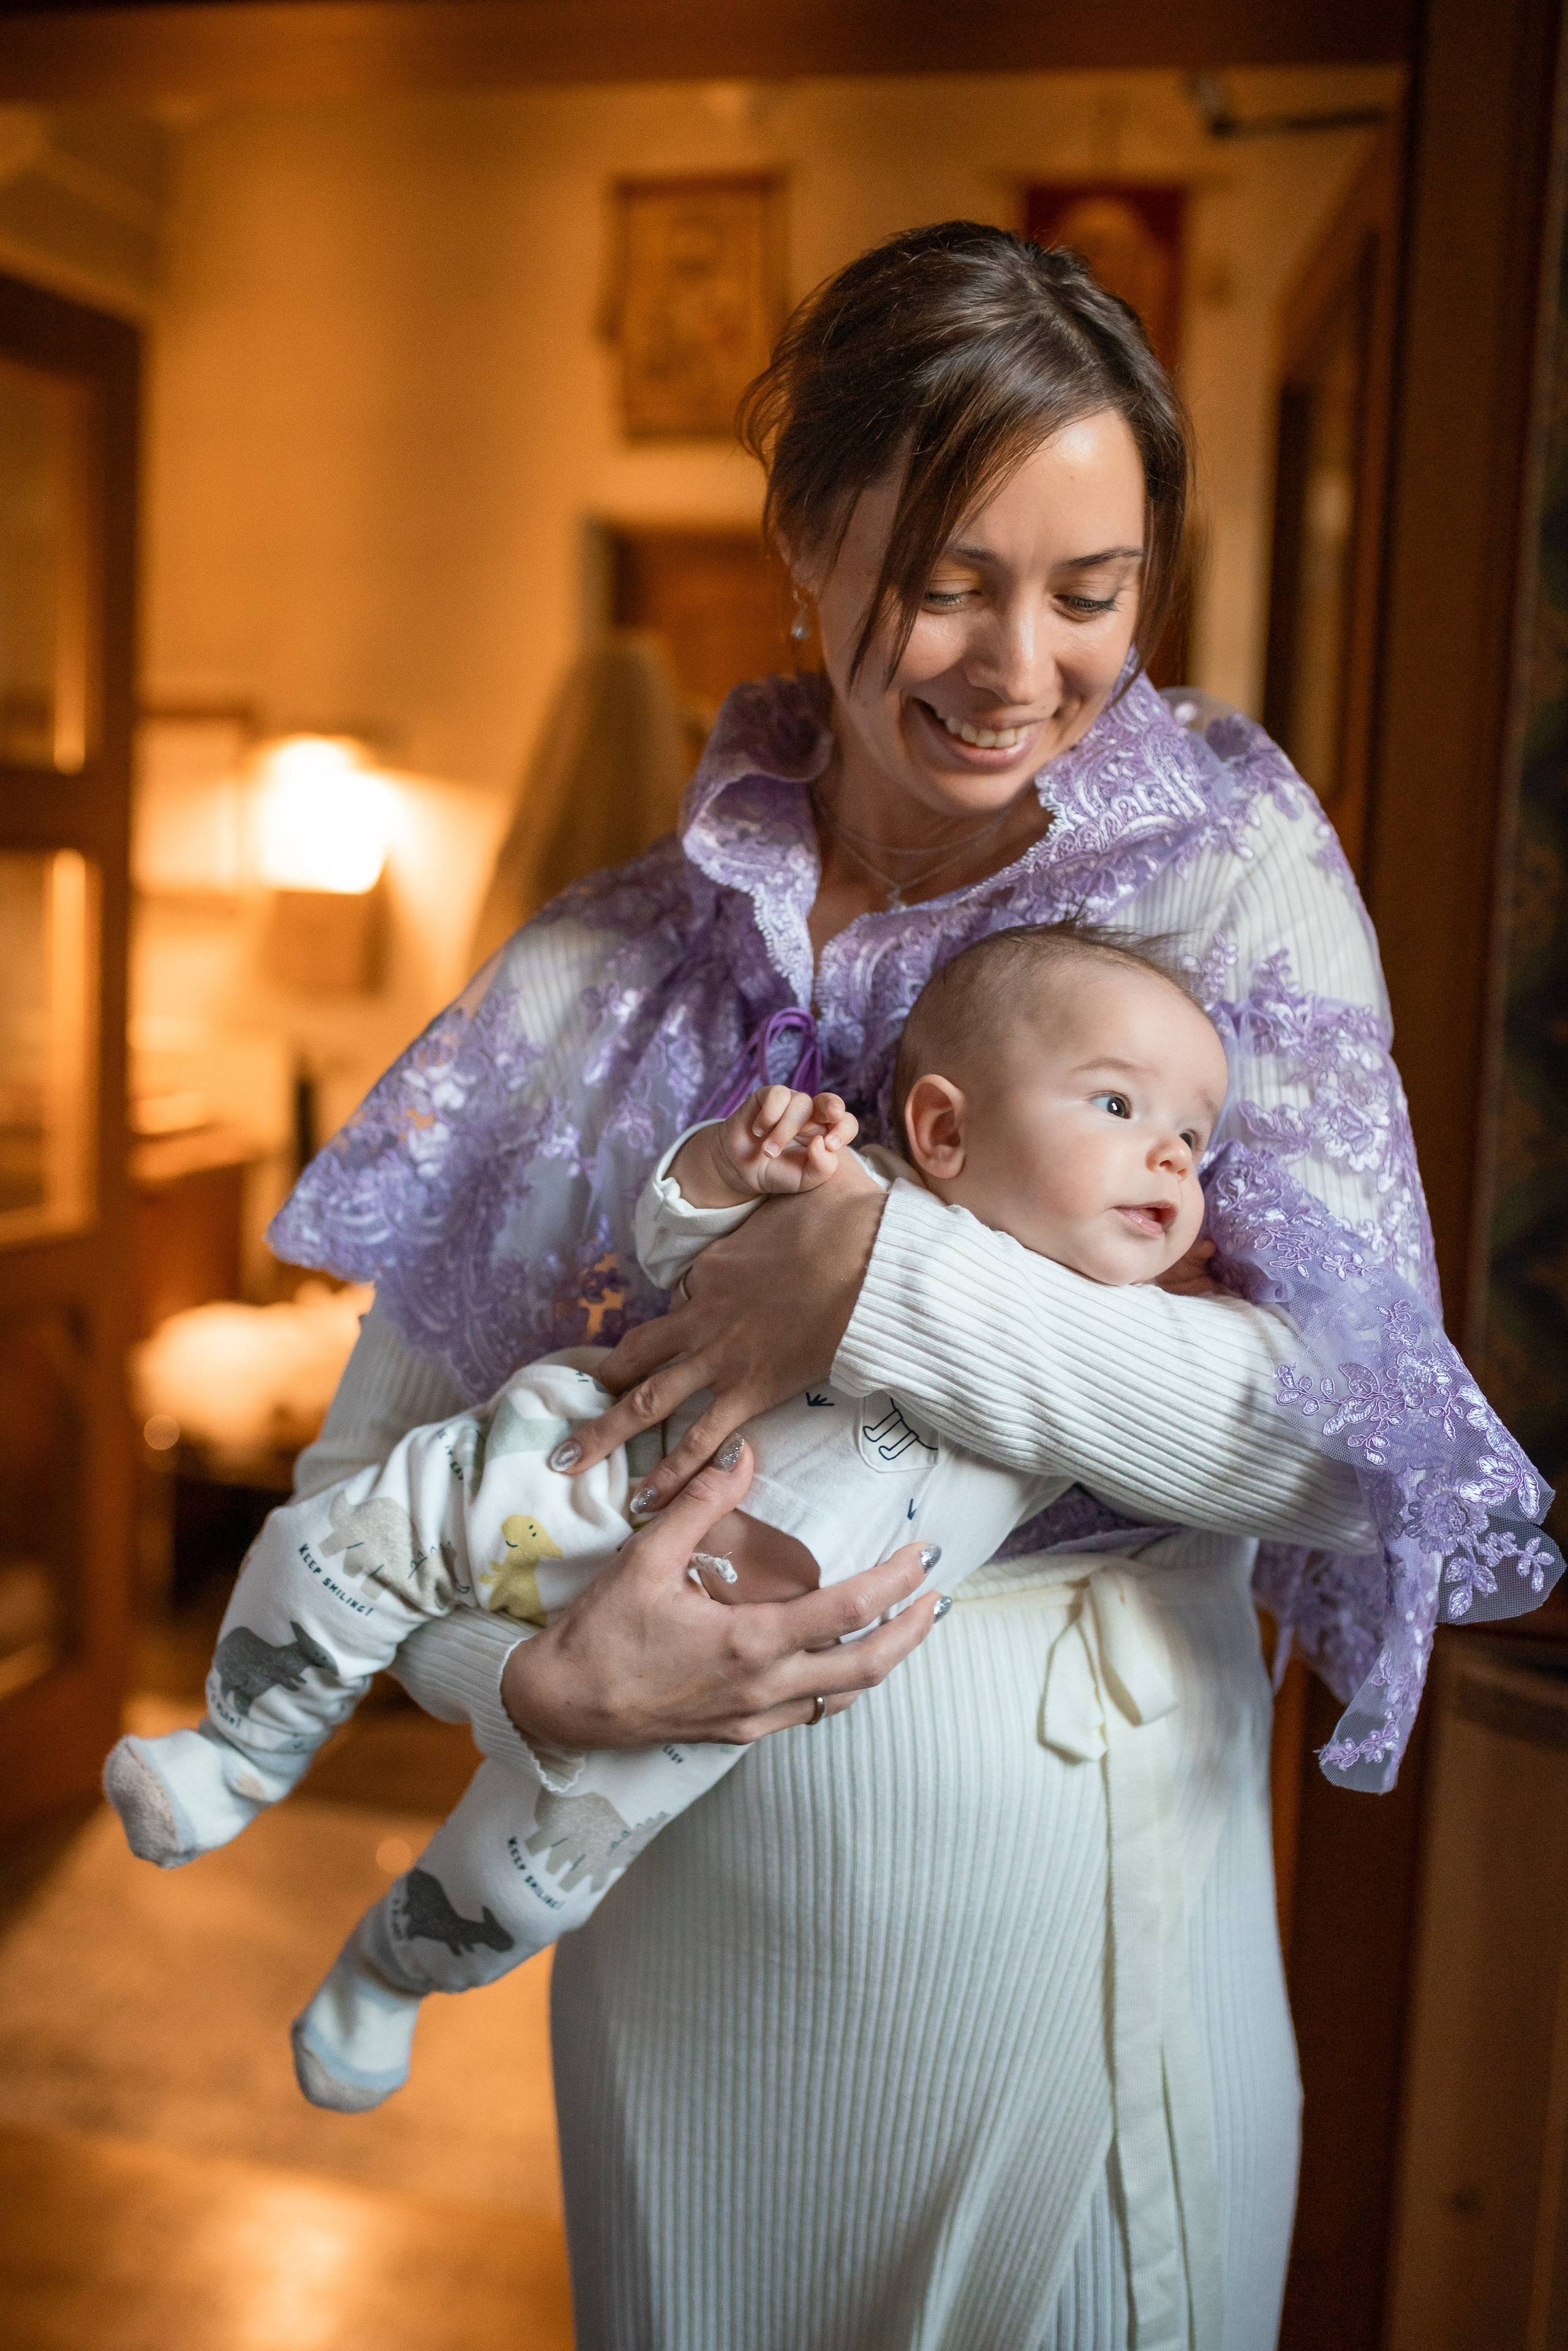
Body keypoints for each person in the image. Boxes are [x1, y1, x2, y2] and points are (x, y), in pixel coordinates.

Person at [264, 224, 1559, 2349]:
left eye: (1093, 589)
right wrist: (529, 1694)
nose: (1018, 662)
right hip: (684, 1996)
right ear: (806, 533)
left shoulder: (1227, 875)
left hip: (1087, 1948)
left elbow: (1353, 1429)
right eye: (949, 577)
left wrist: (883, 1277)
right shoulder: (615, 955)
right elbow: (368, 1491)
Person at [108, 924, 1322, 2125]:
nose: (1167, 1157)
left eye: (1192, 1138)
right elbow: (672, 1240)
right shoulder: (860, 1194)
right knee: (348, 1543)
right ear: (945, 1130)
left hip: (718, 1665)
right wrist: (726, 1170)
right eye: (1117, 1106)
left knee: (533, 1873)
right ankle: (238, 1747)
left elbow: (1302, 1441)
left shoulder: (1118, 1336)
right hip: (579, 1476)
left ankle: (387, 1976)